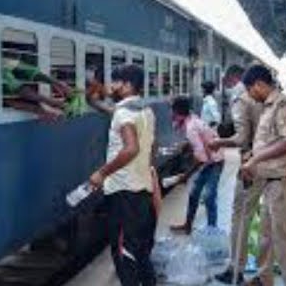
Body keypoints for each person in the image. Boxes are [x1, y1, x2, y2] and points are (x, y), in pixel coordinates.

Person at [88, 64, 157, 286]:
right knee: (139, 250)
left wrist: (101, 172)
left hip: (123, 192)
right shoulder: (145, 110)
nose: (112, 86)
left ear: (127, 85)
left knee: (123, 252)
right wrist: (94, 96)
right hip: (141, 189)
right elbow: (151, 147)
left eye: (115, 82)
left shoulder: (124, 113)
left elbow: (131, 148)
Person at [238, 65, 286, 286]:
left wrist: (256, 159)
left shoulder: (283, 105)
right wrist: (253, 154)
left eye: (250, 90)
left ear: (259, 84)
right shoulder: (267, 107)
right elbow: (271, 141)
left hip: (283, 181)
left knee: (283, 239)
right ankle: (263, 278)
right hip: (271, 182)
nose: (249, 95)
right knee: (266, 236)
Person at [210, 64, 268, 285]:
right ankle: (265, 271)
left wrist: (219, 142)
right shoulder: (267, 98)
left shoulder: (242, 99)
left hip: (252, 163)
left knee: (240, 216)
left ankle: (236, 268)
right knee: (268, 218)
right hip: (269, 161)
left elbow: (242, 137)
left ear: (235, 78)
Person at [170, 95, 225, 234]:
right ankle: (188, 225)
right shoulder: (192, 118)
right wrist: (188, 145)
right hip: (210, 159)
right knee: (194, 194)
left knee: (209, 197)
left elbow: (200, 158)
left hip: (215, 161)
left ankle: (212, 231)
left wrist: (186, 175)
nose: (171, 114)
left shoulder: (190, 127)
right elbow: (201, 142)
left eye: (173, 111)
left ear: (178, 112)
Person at [2, 58, 73, 121]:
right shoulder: (3, 67)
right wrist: (50, 101)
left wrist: (42, 110)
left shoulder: (11, 65)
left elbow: (11, 102)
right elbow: (17, 88)